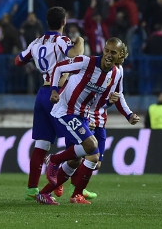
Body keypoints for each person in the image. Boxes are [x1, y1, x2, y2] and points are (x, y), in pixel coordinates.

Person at [36, 37, 124, 205]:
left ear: (120, 55)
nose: (108, 55)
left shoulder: (114, 74)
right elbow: (59, 67)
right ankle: (54, 160)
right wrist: (54, 90)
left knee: (89, 157)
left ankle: (45, 193)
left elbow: (99, 100)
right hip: (66, 110)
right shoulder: (86, 62)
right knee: (92, 146)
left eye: (113, 52)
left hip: (82, 115)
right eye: (106, 50)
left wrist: (109, 103)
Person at [14, 6, 84, 201]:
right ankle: (75, 189)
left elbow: (18, 60)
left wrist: (35, 60)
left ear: (47, 22)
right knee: (77, 140)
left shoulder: (36, 42)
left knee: (42, 143)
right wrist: (80, 40)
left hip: (42, 92)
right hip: (59, 93)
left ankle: (31, 189)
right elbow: (74, 54)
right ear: (64, 22)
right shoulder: (62, 40)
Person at [60, 43, 140, 201]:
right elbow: (89, 92)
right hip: (83, 115)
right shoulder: (93, 66)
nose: (111, 56)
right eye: (108, 51)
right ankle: (66, 184)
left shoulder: (118, 72)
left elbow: (118, 95)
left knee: (96, 162)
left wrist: (128, 114)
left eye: (116, 53)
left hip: (100, 118)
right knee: (76, 158)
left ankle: (73, 187)